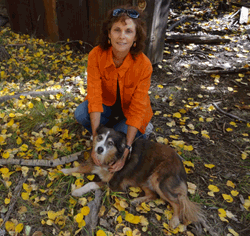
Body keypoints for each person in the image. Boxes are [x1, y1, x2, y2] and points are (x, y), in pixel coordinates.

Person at [74, 5, 153, 172]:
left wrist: (126, 151)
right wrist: (97, 141)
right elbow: (94, 97)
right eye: (117, 30)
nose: (122, 37)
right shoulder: (96, 55)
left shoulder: (144, 65)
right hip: (107, 105)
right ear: (109, 34)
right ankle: (110, 131)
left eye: (128, 31)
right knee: (81, 114)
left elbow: (138, 108)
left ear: (136, 38)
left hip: (130, 112)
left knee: (123, 140)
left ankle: (129, 131)